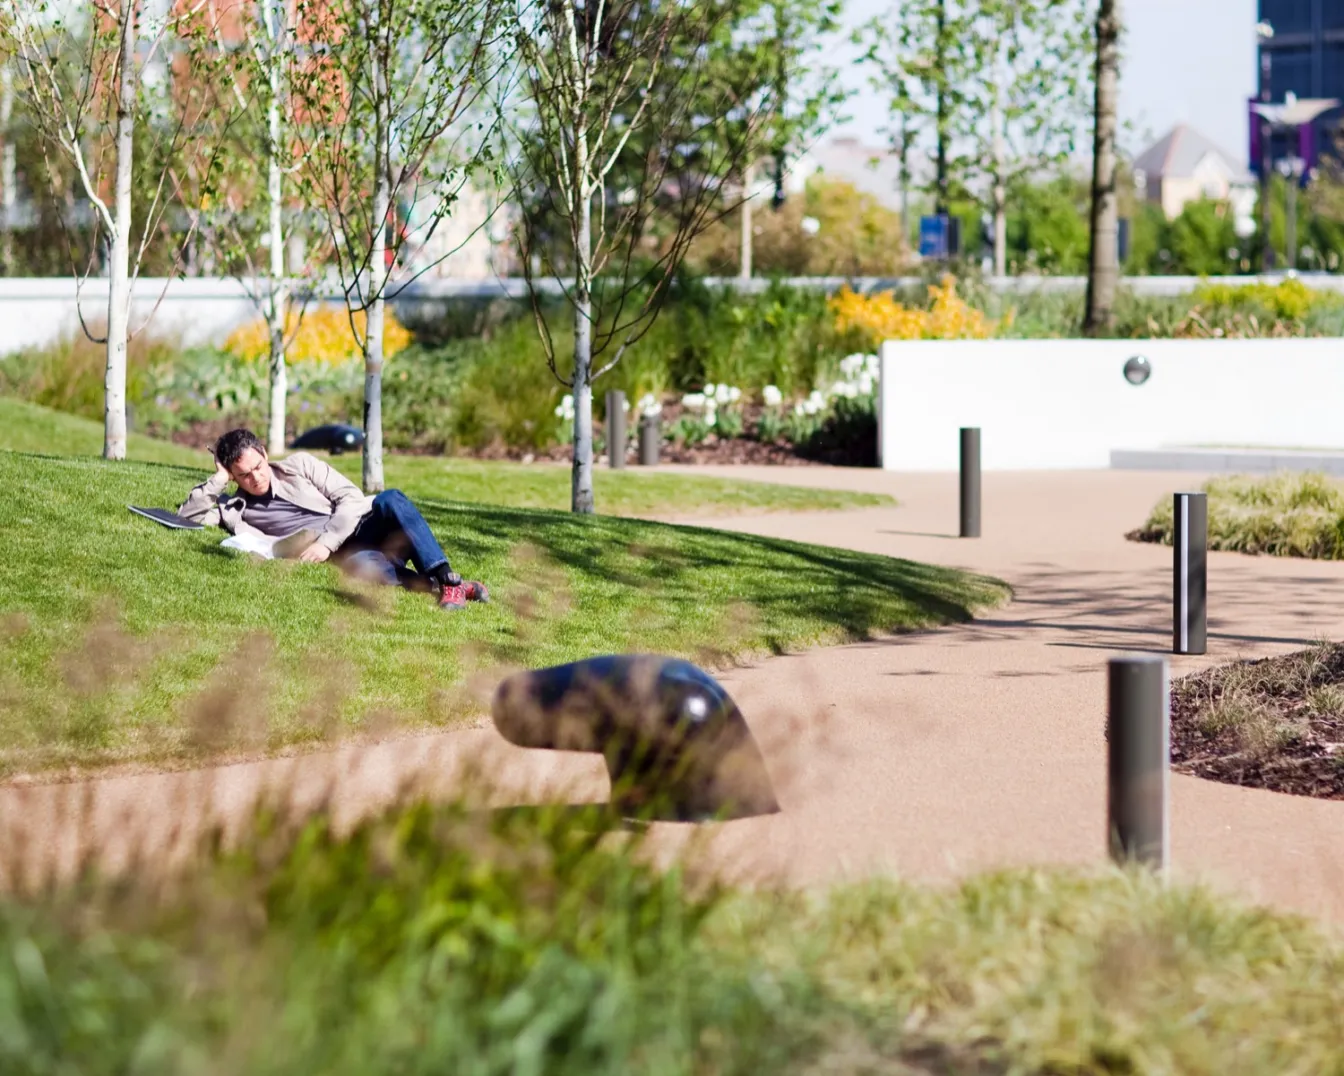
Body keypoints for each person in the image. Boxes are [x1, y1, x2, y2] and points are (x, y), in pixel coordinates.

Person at [178, 427, 488, 610]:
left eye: (258, 466)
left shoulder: (299, 464)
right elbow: (187, 515)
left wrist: (327, 542)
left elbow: (350, 497)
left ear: (263, 453)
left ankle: (447, 578)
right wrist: (218, 478)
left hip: (361, 524)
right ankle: (455, 588)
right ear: (233, 475)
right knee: (359, 567)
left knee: (391, 498)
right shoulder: (235, 509)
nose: (255, 478)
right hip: (347, 552)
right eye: (243, 475)